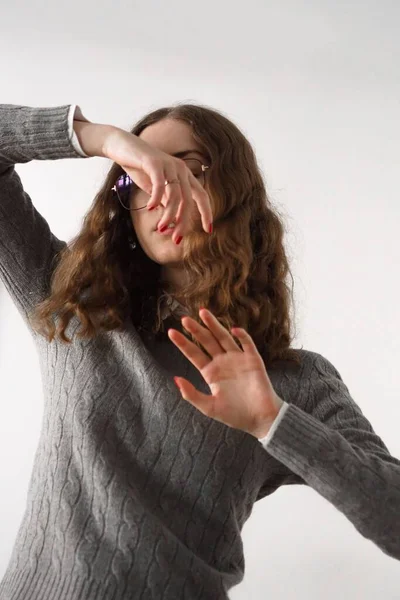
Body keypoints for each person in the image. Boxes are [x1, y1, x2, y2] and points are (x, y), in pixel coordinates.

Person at [0, 102, 399, 600]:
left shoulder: (292, 380)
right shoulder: (69, 303)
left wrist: (272, 422)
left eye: (185, 169)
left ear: (233, 191)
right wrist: (102, 138)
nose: (159, 192)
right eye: (140, 173)